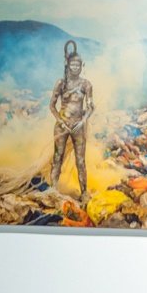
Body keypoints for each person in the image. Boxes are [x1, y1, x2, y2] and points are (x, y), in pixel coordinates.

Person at [49, 40, 94, 198]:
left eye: (78, 64)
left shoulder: (86, 85)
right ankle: (53, 190)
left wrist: (83, 121)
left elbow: (91, 107)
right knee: (57, 158)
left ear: (82, 66)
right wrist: (61, 121)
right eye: (72, 64)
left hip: (78, 127)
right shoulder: (61, 83)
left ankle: (84, 192)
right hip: (62, 126)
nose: (75, 67)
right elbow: (52, 106)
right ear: (68, 65)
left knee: (80, 161)